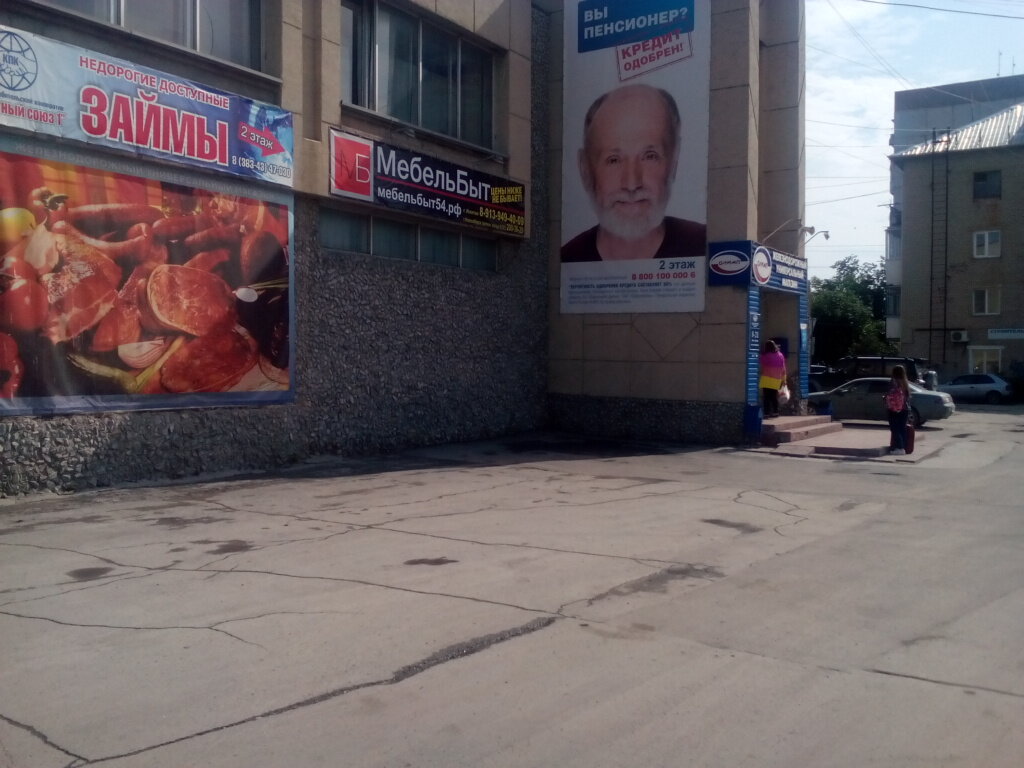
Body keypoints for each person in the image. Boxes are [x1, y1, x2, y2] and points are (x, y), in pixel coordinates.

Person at [561, 84, 706, 262]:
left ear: (673, 161)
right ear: (585, 169)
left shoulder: (702, 246)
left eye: (649, 156)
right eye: (614, 160)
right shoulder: (568, 259)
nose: (631, 184)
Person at [885, 365, 911, 455]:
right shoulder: (905, 383)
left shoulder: (893, 382)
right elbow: (907, 397)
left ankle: (899, 448)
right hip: (904, 409)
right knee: (902, 429)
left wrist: (886, 398)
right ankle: (903, 447)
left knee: (895, 429)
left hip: (894, 409)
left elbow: (890, 394)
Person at [759, 340, 787, 418]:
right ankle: (775, 412)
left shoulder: (766, 356)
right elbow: (783, 369)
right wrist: (784, 380)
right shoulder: (780, 355)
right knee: (774, 397)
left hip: (767, 379)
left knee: (766, 398)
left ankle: (766, 413)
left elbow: (761, 362)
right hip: (776, 379)